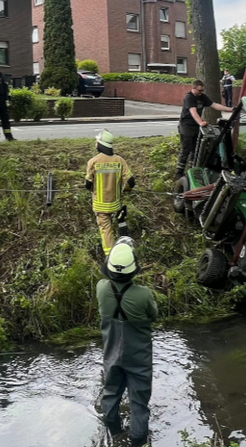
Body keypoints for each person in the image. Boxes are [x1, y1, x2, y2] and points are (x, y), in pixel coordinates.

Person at [97, 238, 158, 446]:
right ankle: (139, 441)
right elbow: (154, 315)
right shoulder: (144, 294)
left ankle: (114, 433)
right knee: (139, 401)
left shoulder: (101, 288)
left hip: (111, 351)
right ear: (133, 271)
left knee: (111, 391)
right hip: (138, 355)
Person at [85, 130, 135, 256]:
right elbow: (131, 181)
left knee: (106, 229)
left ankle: (110, 256)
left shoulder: (93, 161)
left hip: (100, 205)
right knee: (121, 219)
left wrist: (93, 189)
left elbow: (88, 184)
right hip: (116, 203)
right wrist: (126, 191)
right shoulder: (119, 160)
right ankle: (127, 245)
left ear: (100, 144)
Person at [176, 80, 228, 177]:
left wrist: (230, 109)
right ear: (193, 88)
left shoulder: (202, 97)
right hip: (186, 126)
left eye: (202, 91)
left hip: (196, 127)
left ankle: (192, 170)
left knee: (195, 149)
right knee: (186, 148)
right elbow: (193, 111)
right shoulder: (189, 97)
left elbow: (214, 105)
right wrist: (201, 122)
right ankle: (179, 172)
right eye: (199, 90)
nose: (201, 93)